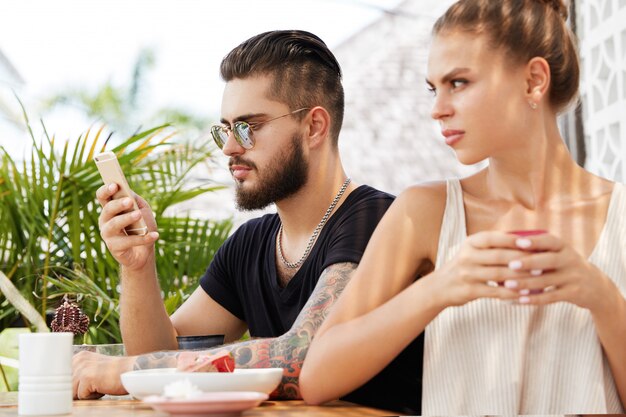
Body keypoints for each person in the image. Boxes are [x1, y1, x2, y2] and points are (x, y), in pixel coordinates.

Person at [300, 0, 626, 414]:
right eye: (434, 88)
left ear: (533, 81)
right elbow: (318, 377)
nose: (438, 109)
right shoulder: (425, 211)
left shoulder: (621, 218)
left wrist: (603, 298)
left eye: (459, 83)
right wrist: (438, 288)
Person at [72, 30, 422, 413]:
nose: (229, 148)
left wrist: (121, 371)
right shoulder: (250, 243)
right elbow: (160, 357)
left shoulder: (376, 221)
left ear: (314, 127)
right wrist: (138, 265)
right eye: (225, 128)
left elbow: (301, 358)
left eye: (248, 127)